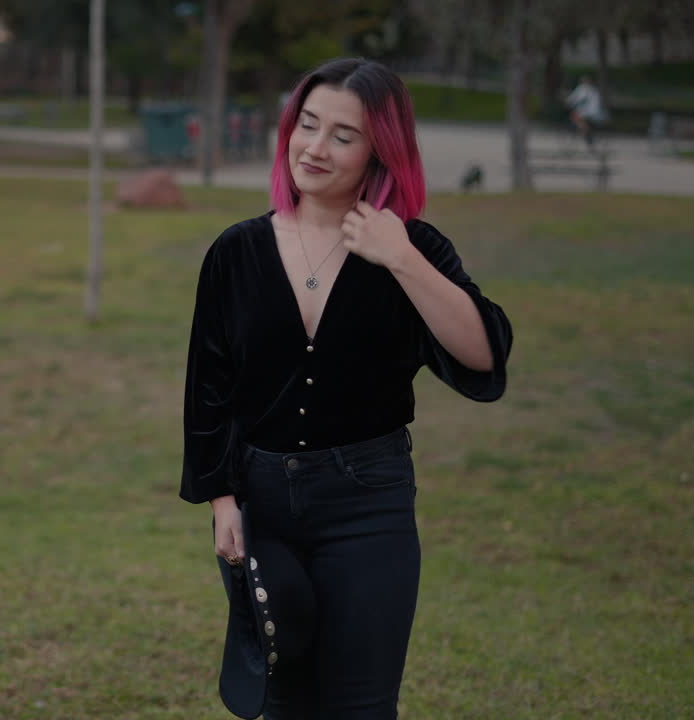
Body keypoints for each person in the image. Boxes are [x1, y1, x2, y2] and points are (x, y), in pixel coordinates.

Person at [181, 57, 513, 719]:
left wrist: (399, 256)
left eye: (343, 135)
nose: (315, 146)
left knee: (362, 706)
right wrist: (222, 501)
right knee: (282, 704)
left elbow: (483, 355)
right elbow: (209, 389)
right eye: (308, 124)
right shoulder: (237, 251)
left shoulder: (411, 249)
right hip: (263, 502)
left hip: (370, 505)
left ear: (378, 152)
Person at [566, 74, 605, 148]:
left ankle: (586, 132)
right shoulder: (587, 89)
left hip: (590, 111)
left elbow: (577, 99)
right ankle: (585, 131)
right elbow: (575, 98)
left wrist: (570, 103)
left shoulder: (586, 89)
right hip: (590, 111)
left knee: (576, 117)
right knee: (577, 117)